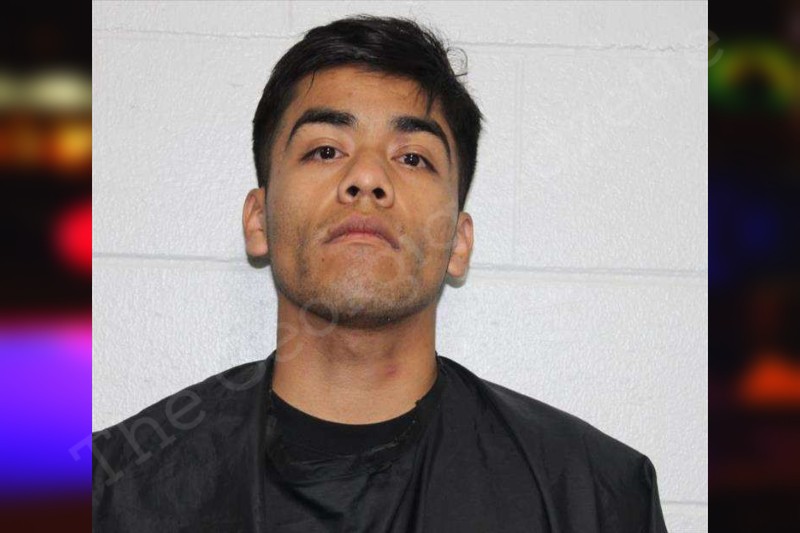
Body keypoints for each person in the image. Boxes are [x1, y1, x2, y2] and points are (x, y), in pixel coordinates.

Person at [92, 15, 668, 532]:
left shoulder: (594, 499)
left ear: (458, 242)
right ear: (259, 220)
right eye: (325, 150)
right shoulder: (113, 494)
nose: (367, 178)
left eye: (412, 157)